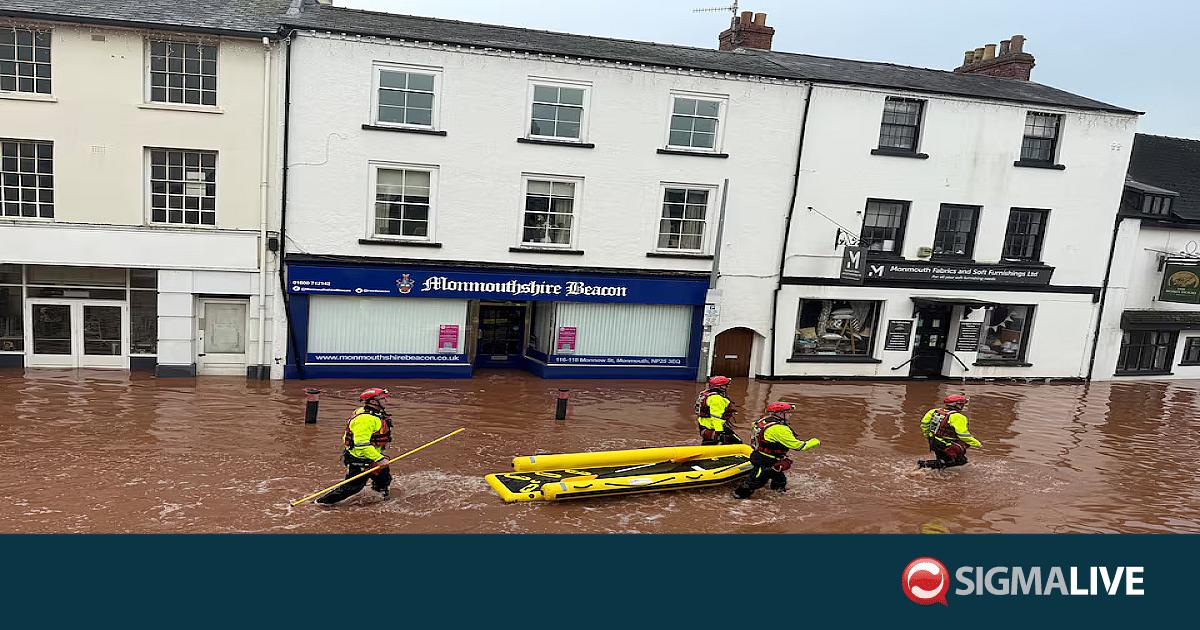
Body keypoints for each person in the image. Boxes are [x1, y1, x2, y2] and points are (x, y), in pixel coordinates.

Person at [316, 388, 394, 505]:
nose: (386, 401)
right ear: (373, 402)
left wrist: (377, 458)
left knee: (383, 478)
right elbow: (361, 444)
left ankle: (380, 499)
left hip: (371, 456)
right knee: (352, 487)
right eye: (383, 399)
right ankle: (321, 503)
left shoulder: (370, 412)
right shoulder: (365, 419)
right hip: (359, 459)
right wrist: (380, 459)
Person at [733, 402, 820, 499]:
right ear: (780, 414)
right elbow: (799, 447)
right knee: (754, 482)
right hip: (765, 460)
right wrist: (815, 441)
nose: (790, 415)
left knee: (780, 480)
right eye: (788, 412)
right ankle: (737, 498)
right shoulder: (779, 429)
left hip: (761, 455)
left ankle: (777, 498)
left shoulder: (763, 421)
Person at [917, 394, 981, 469]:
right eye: (962, 404)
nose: (963, 406)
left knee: (942, 460)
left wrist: (928, 435)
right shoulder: (959, 417)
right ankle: (924, 465)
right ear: (958, 405)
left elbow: (924, 424)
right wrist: (977, 444)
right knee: (961, 461)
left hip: (933, 441)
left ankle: (934, 471)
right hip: (946, 444)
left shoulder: (933, 411)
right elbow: (963, 435)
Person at [695, 376, 740, 445]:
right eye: (726, 385)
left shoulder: (707, 394)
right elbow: (716, 417)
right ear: (721, 387)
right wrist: (720, 432)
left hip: (705, 425)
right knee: (737, 442)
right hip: (713, 427)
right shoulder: (717, 399)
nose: (727, 387)